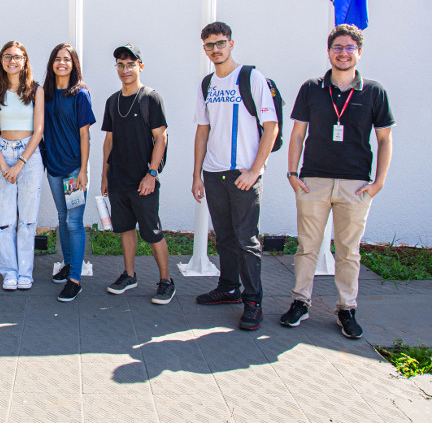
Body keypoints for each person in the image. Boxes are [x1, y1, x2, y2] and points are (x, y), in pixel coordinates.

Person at [281, 24, 394, 339]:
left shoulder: (374, 92)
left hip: (355, 184)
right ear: (328, 51)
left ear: (359, 52)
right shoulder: (312, 88)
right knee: (307, 247)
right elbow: (298, 134)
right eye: (337, 47)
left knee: (349, 251)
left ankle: (347, 309)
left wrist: (378, 182)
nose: (343, 53)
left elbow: (385, 140)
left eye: (349, 48)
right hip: (313, 181)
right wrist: (292, 173)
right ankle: (300, 302)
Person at [191, 22, 278, 331]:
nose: (216, 49)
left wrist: (255, 170)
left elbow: (272, 127)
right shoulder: (207, 84)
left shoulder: (251, 77)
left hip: (243, 174)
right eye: (209, 45)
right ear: (204, 49)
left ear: (231, 44)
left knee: (247, 239)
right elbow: (202, 131)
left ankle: (253, 301)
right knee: (225, 236)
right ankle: (229, 287)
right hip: (214, 174)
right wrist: (197, 174)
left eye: (221, 43)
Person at [102, 44, 175, 305]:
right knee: (125, 228)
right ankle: (129, 275)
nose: (125, 69)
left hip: (144, 180)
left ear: (140, 67)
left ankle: (166, 281)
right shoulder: (112, 101)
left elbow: (161, 137)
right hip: (119, 179)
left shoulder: (150, 98)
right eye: (120, 65)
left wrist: (151, 173)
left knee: (152, 231)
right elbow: (108, 141)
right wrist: (104, 176)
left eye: (130, 64)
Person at [0, 41, 45, 291]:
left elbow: (39, 129)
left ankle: (25, 273)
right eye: (7, 56)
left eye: (17, 57)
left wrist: (20, 163)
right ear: (1, 61)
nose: (12, 60)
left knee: (28, 220)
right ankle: (9, 271)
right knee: (5, 219)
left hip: (29, 157)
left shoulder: (35, 89)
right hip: (3, 153)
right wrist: (2, 162)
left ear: (25, 60)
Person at [42, 43, 96, 302]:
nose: (61, 63)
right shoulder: (46, 93)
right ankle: (68, 262)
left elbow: (85, 135)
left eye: (67, 59)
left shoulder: (80, 94)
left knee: (74, 222)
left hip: (74, 169)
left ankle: (75, 277)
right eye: (57, 59)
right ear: (51, 63)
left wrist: (83, 170)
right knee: (63, 217)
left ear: (74, 64)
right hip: (53, 167)